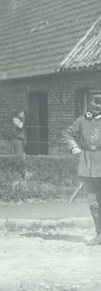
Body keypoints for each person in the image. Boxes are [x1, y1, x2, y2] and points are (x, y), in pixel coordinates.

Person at [62, 89, 101, 246]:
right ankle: (99, 234)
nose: (98, 105)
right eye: (95, 101)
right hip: (86, 166)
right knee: (92, 202)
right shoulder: (81, 121)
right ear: (89, 102)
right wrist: (74, 148)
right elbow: (67, 134)